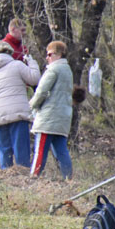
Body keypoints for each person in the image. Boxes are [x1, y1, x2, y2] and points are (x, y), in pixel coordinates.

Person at [0, 40, 40, 169]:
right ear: (9, 52)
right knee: (21, 150)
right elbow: (34, 78)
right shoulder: (17, 65)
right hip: (17, 114)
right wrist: (31, 62)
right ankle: (23, 175)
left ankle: (6, 175)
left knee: (4, 151)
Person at [30, 40, 74, 179]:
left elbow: (41, 92)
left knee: (40, 151)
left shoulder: (53, 69)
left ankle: (34, 177)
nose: (47, 57)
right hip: (63, 118)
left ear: (59, 54)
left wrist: (32, 106)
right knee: (62, 151)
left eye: (50, 54)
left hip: (48, 118)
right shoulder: (68, 70)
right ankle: (68, 179)